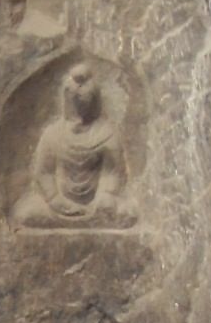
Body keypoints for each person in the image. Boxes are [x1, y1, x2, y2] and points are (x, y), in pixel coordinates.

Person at [19, 63, 132, 228]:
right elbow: (43, 173)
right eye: (74, 100)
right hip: (59, 206)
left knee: (127, 213)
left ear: (95, 100)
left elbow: (113, 173)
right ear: (66, 99)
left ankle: (92, 219)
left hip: (97, 205)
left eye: (86, 100)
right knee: (25, 214)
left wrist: (106, 195)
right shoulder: (52, 134)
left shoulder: (107, 133)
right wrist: (55, 200)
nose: (79, 107)